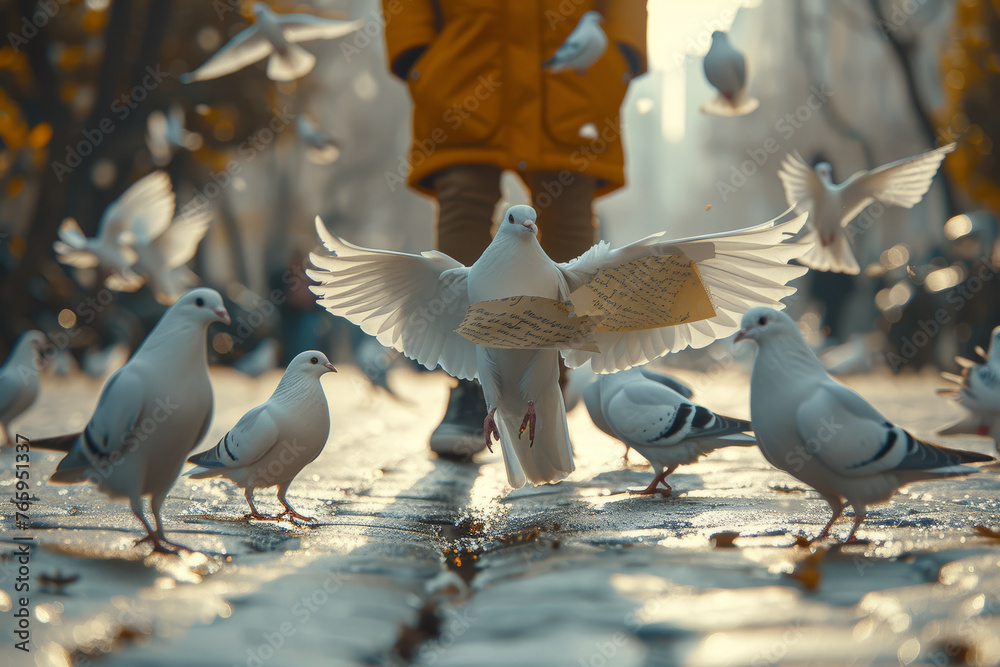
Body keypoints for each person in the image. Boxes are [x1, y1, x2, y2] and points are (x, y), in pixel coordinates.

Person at [382, 0, 648, 458]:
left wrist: (622, 50)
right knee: (463, 198)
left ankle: (549, 381)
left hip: (570, 69)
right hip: (467, 57)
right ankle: (472, 382)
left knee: (566, 218)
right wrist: (414, 50)